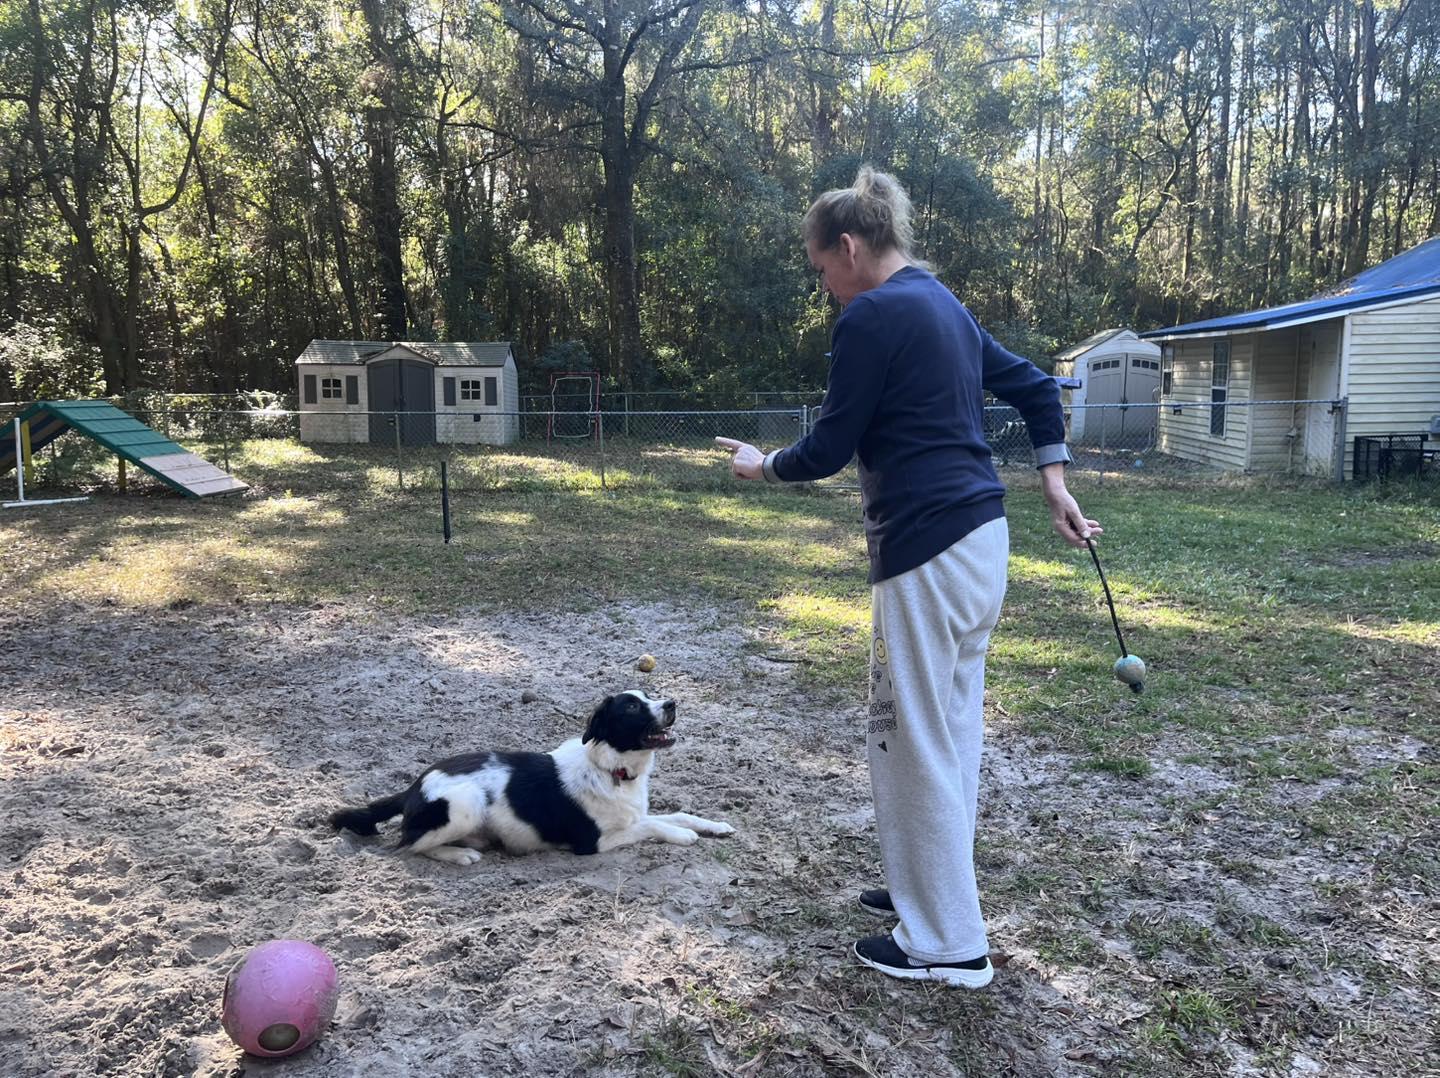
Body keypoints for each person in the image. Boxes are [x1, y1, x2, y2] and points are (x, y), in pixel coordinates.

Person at [716, 166, 1101, 989]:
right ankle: (922, 889)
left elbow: (826, 447)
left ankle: (949, 945)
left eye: (822, 270)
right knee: (949, 730)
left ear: (849, 247)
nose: (826, 288)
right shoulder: (942, 303)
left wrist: (763, 465)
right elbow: (1036, 387)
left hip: (926, 549)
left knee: (909, 736)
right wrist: (1056, 485)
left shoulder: (872, 316)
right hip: (982, 544)